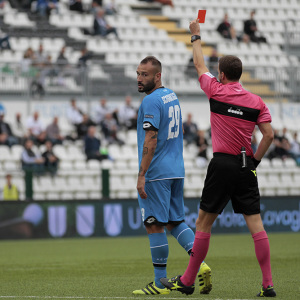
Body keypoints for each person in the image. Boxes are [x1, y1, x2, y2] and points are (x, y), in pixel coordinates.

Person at [160, 19, 276, 298]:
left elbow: (200, 66)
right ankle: (268, 284)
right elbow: (270, 135)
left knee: (203, 223)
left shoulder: (216, 90)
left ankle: (187, 281)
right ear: (240, 75)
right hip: (245, 165)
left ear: (222, 74)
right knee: (256, 224)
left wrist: (195, 36)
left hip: (222, 163)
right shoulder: (256, 101)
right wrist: (255, 162)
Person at [133, 55, 212, 295]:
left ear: (157, 76)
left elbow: (151, 138)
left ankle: (159, 283)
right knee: (175, 222)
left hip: (157, 172)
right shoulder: (171, 95)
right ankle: (200, 264)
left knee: (154, 225)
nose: (139, 78)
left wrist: (141, 174)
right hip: (176, 170)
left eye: (144, 75)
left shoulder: (151, 101)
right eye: (138, 73)